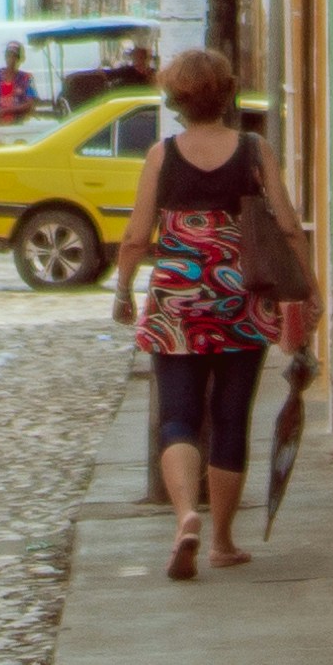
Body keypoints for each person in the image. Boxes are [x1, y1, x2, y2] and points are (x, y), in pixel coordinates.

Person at [109, 47, 310, 580]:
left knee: (177, 416)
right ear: (227, 94)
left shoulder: (162, 155)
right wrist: (307, 289)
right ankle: (221, 540)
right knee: (231, 416)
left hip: (177, 301)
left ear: (175, 101)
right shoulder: (254, 150)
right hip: (240, 300)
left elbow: (136, 237)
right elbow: (288, 227)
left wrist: (123, 290)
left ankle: (185, 517)